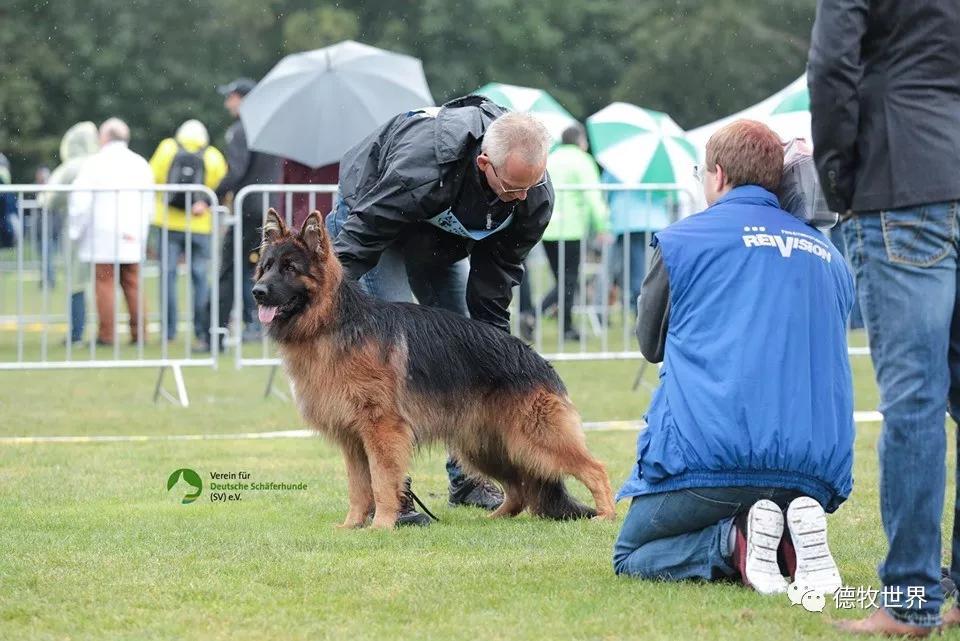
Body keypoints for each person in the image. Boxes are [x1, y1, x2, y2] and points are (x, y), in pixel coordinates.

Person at [612, 120, 855, 598]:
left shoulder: (684, 239)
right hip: (815, 471)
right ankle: (787, 537)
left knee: (631, 555)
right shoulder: (829, 254)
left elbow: (650, 343)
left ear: (718, 175)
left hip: (711, 460)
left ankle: (735, 540)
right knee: (772, 497)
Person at [325, 95, 556, 525]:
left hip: (437, 244)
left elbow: (493, 286)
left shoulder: (532, 197)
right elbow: (360, 240)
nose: (520, 198)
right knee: (386, 350)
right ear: (485, 164)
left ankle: (468, 478)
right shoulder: (424, 165)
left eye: (530, 187)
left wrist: (497, 363)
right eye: (511, 188)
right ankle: (391, 497)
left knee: (464, 346)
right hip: (373, 225)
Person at [808, 0, 960, 635]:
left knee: (914, 401)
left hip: (900, 181)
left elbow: (830, 66)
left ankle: (910, 599)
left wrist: (839, 180)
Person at [69, 118, 154, 345]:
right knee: (133, 284)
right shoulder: (140, 163)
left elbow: (80, 201)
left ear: (104, 137)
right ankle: (140, 334)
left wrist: (75, 231)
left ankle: (106, 335)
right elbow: (149, 203)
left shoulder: (94, 163)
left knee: (104, 284)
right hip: (132, 232)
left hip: (102, 234)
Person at [149, 119, 227, 348]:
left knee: (168, 276)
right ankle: (202, 330)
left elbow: (153, 177)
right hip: (200, 224)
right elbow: (222, 186)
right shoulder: (213, 155)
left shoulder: (167, 148)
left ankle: (168, 331)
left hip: (168, 222)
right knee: (200, 278)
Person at [215, 77, 282, 345]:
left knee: (231, 270)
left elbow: (236, 171)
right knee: (265, 271)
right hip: (268, 209)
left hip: (247, 209)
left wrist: (212, 194)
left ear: (241, 99)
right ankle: (258, 326)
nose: (226, 102)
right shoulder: (270, 129)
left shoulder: (240, 130)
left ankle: (217, 332)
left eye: (230, 96)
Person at [538, 124, 608, 341]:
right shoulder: (582, 160)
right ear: (580, 140)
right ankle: (538, 316)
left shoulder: (552, 158)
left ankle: (563, 325)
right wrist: (603, 226)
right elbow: (593, 197)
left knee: (563, 281)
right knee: (567, 281)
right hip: (571, 229)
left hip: (547, 227)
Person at [42, 122, 100, 343]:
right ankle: (106, 331)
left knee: (76, 281)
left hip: (77, 230)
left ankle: (77, 332)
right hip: (103, 231)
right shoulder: (99, 163)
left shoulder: (72, 167)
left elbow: (51, 198)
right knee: (104, 281)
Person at [278, 159, 339, 230]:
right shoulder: (338, 159)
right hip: (325, 218)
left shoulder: (292, 158)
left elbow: (284, 195)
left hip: (302, 219)